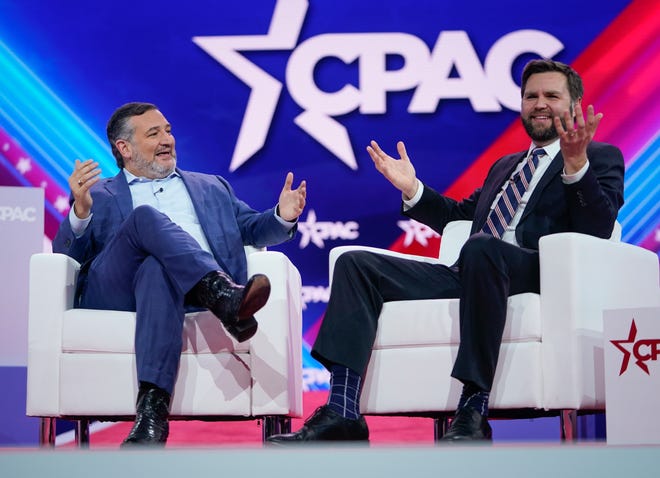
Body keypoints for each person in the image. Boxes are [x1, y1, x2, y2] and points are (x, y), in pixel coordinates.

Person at [266, 59, 624, 444]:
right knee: (357, 265)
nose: (539, 103)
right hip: (473, 267)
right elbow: (458, 217)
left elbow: (596, 231)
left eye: (551, 95)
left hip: (536, 272)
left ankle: (472, 407)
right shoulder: (506, 166)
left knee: (483, 248)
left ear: (575, 105)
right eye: (530, 96)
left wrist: (575, 167)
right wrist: (412, 189)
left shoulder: (601, 158)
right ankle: (343, 411)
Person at [53, 102, 307, 446]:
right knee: (144, 218)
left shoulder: (211, 187)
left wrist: (282, 216)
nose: (166, 140)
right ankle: (222, 296)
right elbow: (65, 258)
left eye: (168, 131)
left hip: (172, 291)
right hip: (118, 292)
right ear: (124, 148)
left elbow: (251, 228)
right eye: (153, 133)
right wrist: (79, 213)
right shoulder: (98, 194)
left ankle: (151, 420)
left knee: (157, 269)